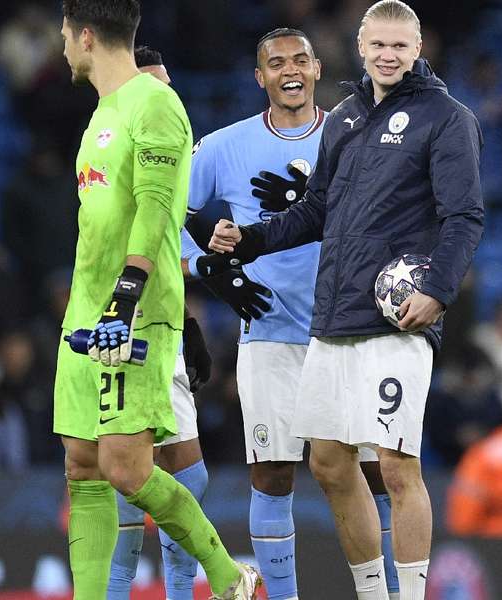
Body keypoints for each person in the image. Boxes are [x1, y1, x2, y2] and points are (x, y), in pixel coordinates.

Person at [209, 2, 484, 598]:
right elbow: (316, 211)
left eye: (399, 46)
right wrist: (250, 240)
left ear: (418, 48)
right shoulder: (346, 119)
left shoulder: (446, 117)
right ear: (361, 47)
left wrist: (438, 292)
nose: (388, 55)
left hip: (396, 320)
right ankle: (371, 592)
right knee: (328, 462)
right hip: (332, 317)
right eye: (378, 45)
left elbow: (464, 216)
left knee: (395, 464)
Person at [183, 28, 401, 600]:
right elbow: (163, 212)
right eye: (276, 63)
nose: (290, 70)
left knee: (378, 472)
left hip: (351, 329)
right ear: (260, 78)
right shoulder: (224, 146)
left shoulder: (355, 134)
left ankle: (392, 593)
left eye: (300, 59)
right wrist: (205, 267)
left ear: (317, 68)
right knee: (273, 474)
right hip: (271, 331)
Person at [53, 2, 259, 599]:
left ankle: (225, 576)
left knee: (126, 467)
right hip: (86, 311)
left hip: (135, 309)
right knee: (82, 464)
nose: (63, 45)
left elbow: (156, 208)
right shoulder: (101, 115)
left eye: (66, 34)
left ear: (86, 36)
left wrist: (126, 293)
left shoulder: (157, 104)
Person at [107, 44, 215, 600]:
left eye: (170, 85)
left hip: (159, 324)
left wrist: (185, 321)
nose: (167, 97)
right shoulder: (121, 157)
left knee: (162, 474)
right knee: (137, 474)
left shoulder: (161, 158)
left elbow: (162, 247)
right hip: (126, 329)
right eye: (156, 87)